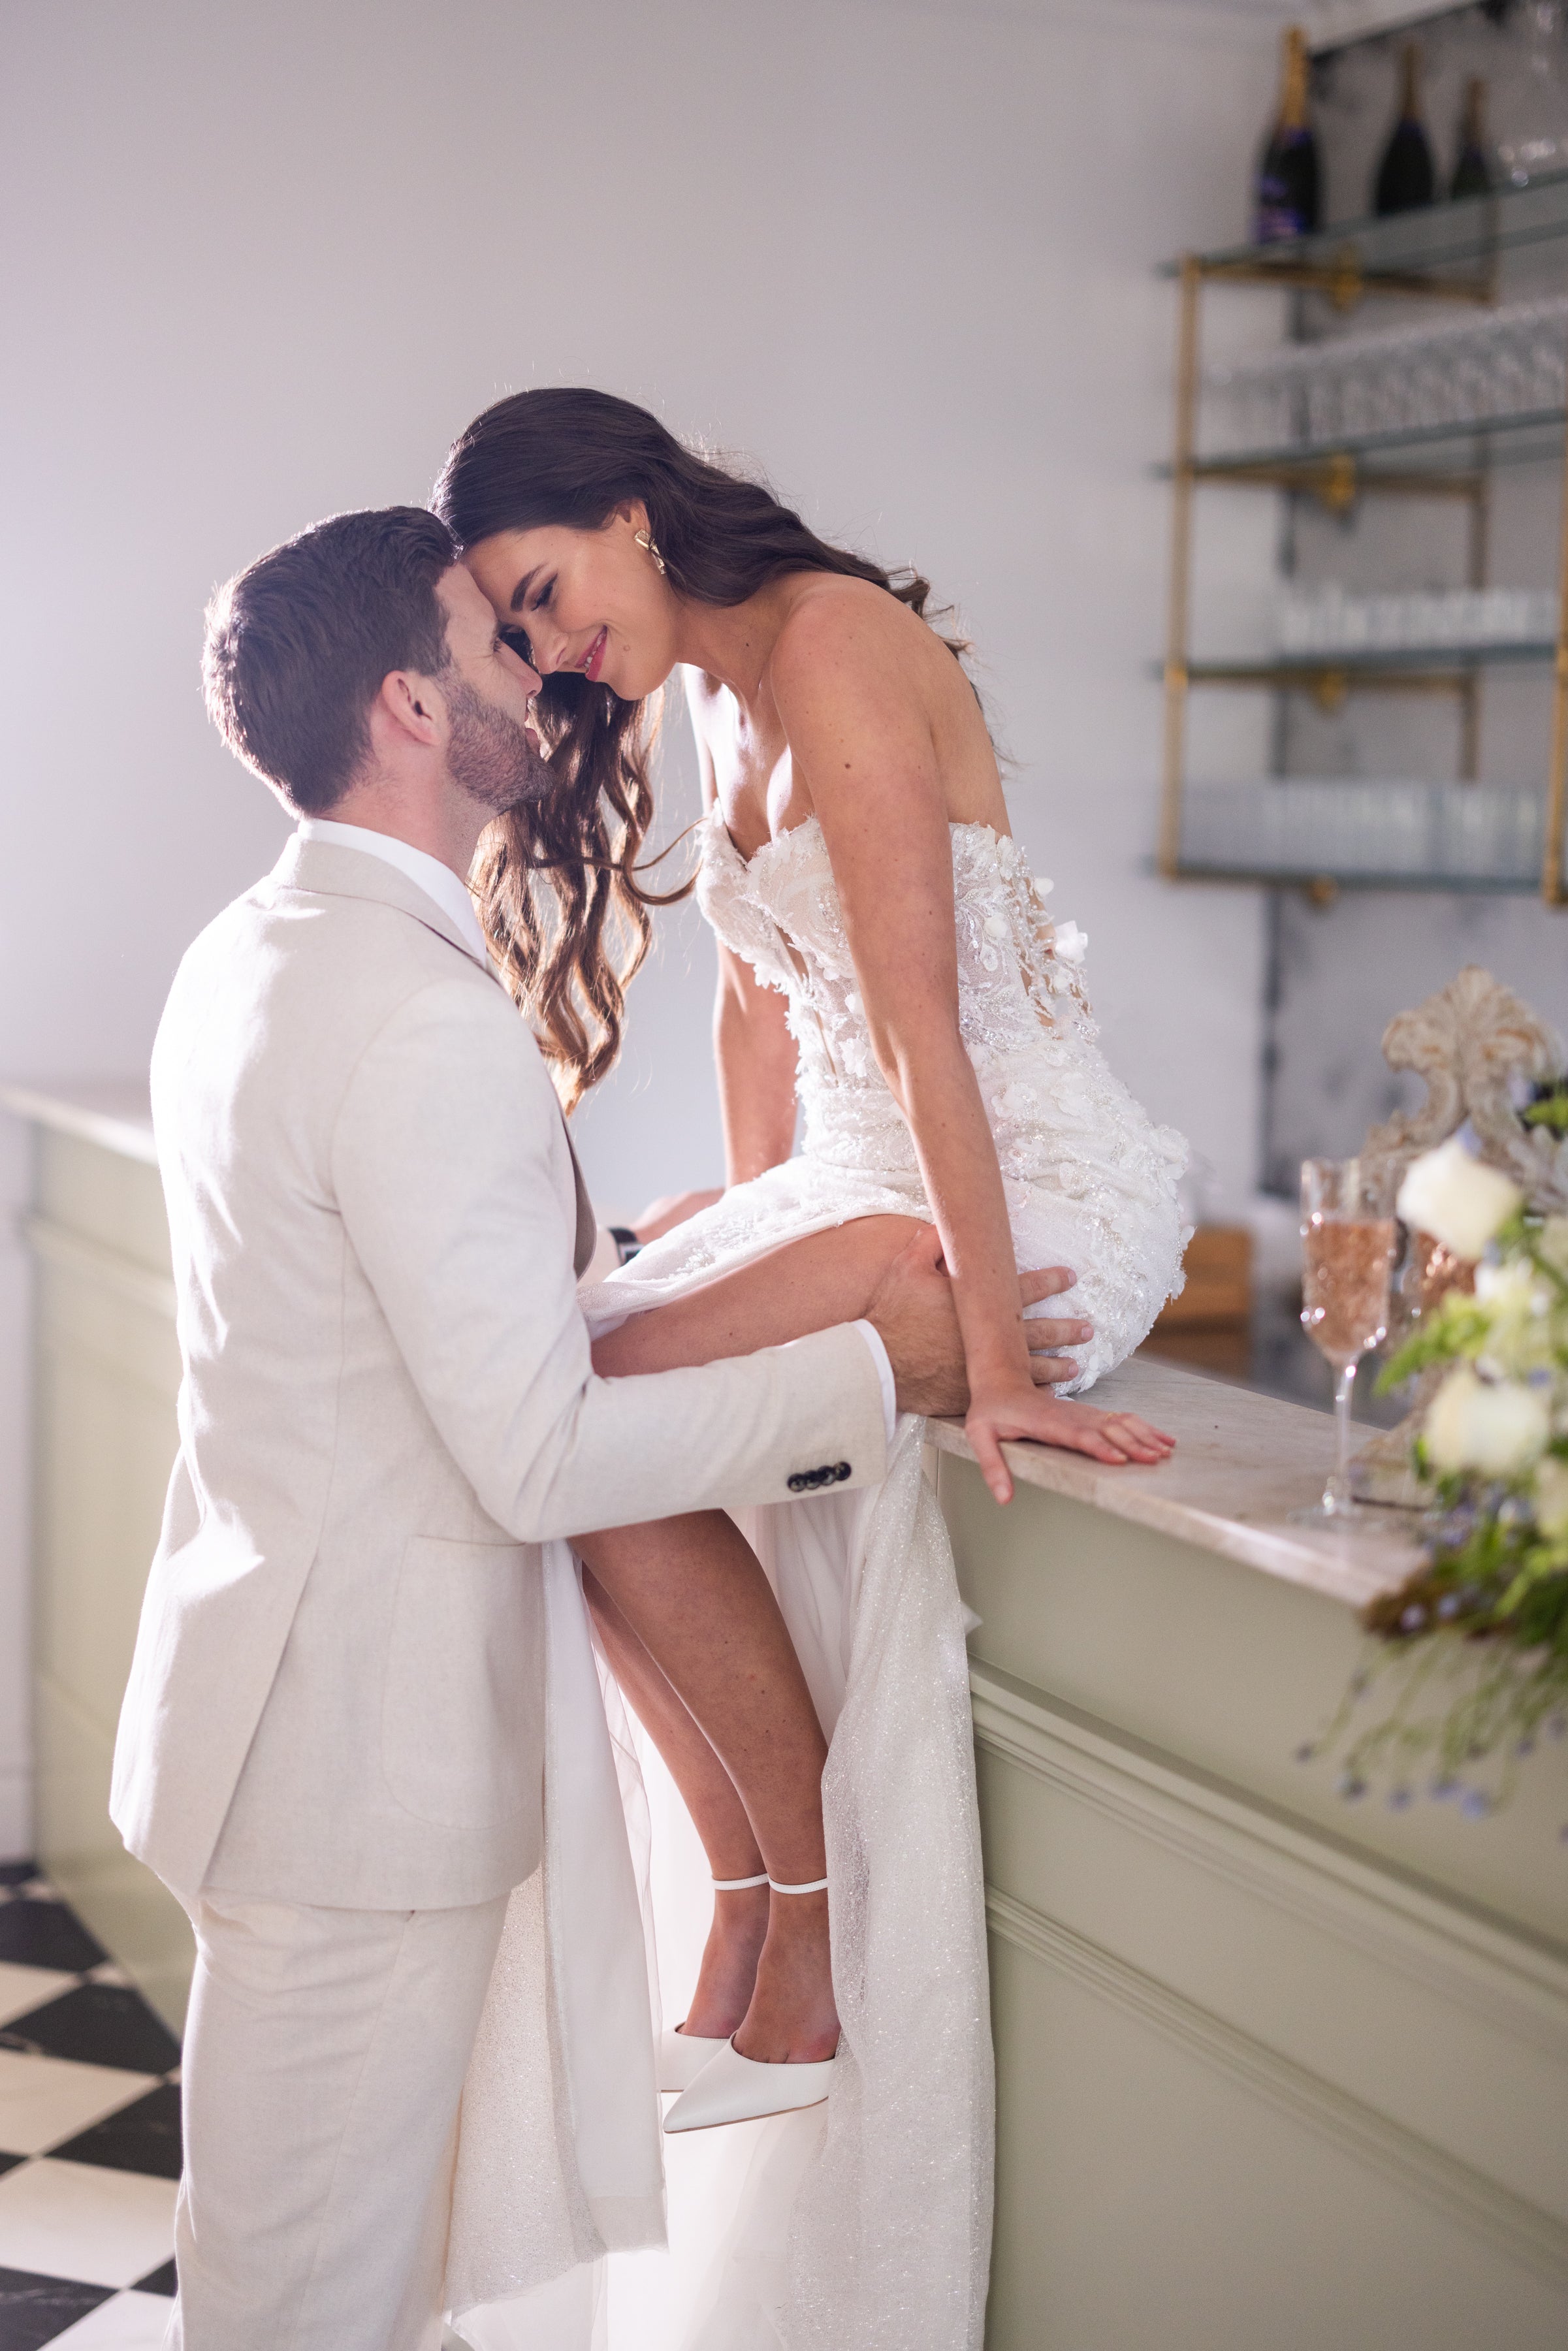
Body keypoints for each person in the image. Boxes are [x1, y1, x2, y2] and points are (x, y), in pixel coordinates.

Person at [108, 504, 1064, 2351]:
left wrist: (655, 1250)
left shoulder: (263, 949)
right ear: (406, 704)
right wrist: (881, 1377)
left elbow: (391, 1294)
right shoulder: (405, 1005)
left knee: (343, 2282)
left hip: (285, 1721)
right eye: (486, 643)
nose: (529, 670)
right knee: (297, 2305)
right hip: (351, 1782)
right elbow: (537, 1456)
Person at [431, 391, 1189, 2350]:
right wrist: (746, 1228)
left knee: (576, 1424)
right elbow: (768, 1033)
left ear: (627, 514)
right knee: (572, 1370)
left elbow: (923, 1024)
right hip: (870, 1183)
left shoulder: (842, 644)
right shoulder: (704, 684)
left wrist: (999, 1358)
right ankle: (758, 1897)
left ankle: (801, 1922)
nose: (556, 651)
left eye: (547, 598)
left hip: (1018, 1201)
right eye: (518, 640)